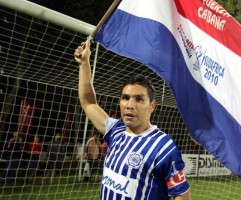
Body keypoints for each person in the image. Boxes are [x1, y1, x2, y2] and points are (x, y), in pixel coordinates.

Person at [74, 40, 191, 200]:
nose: (130, 105)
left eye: (139, 99)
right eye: (125, 98)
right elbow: (89, 103)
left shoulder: (164, 147)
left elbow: (182, 196)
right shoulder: (115, 130)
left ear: (152, 106)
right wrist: (84, 64)